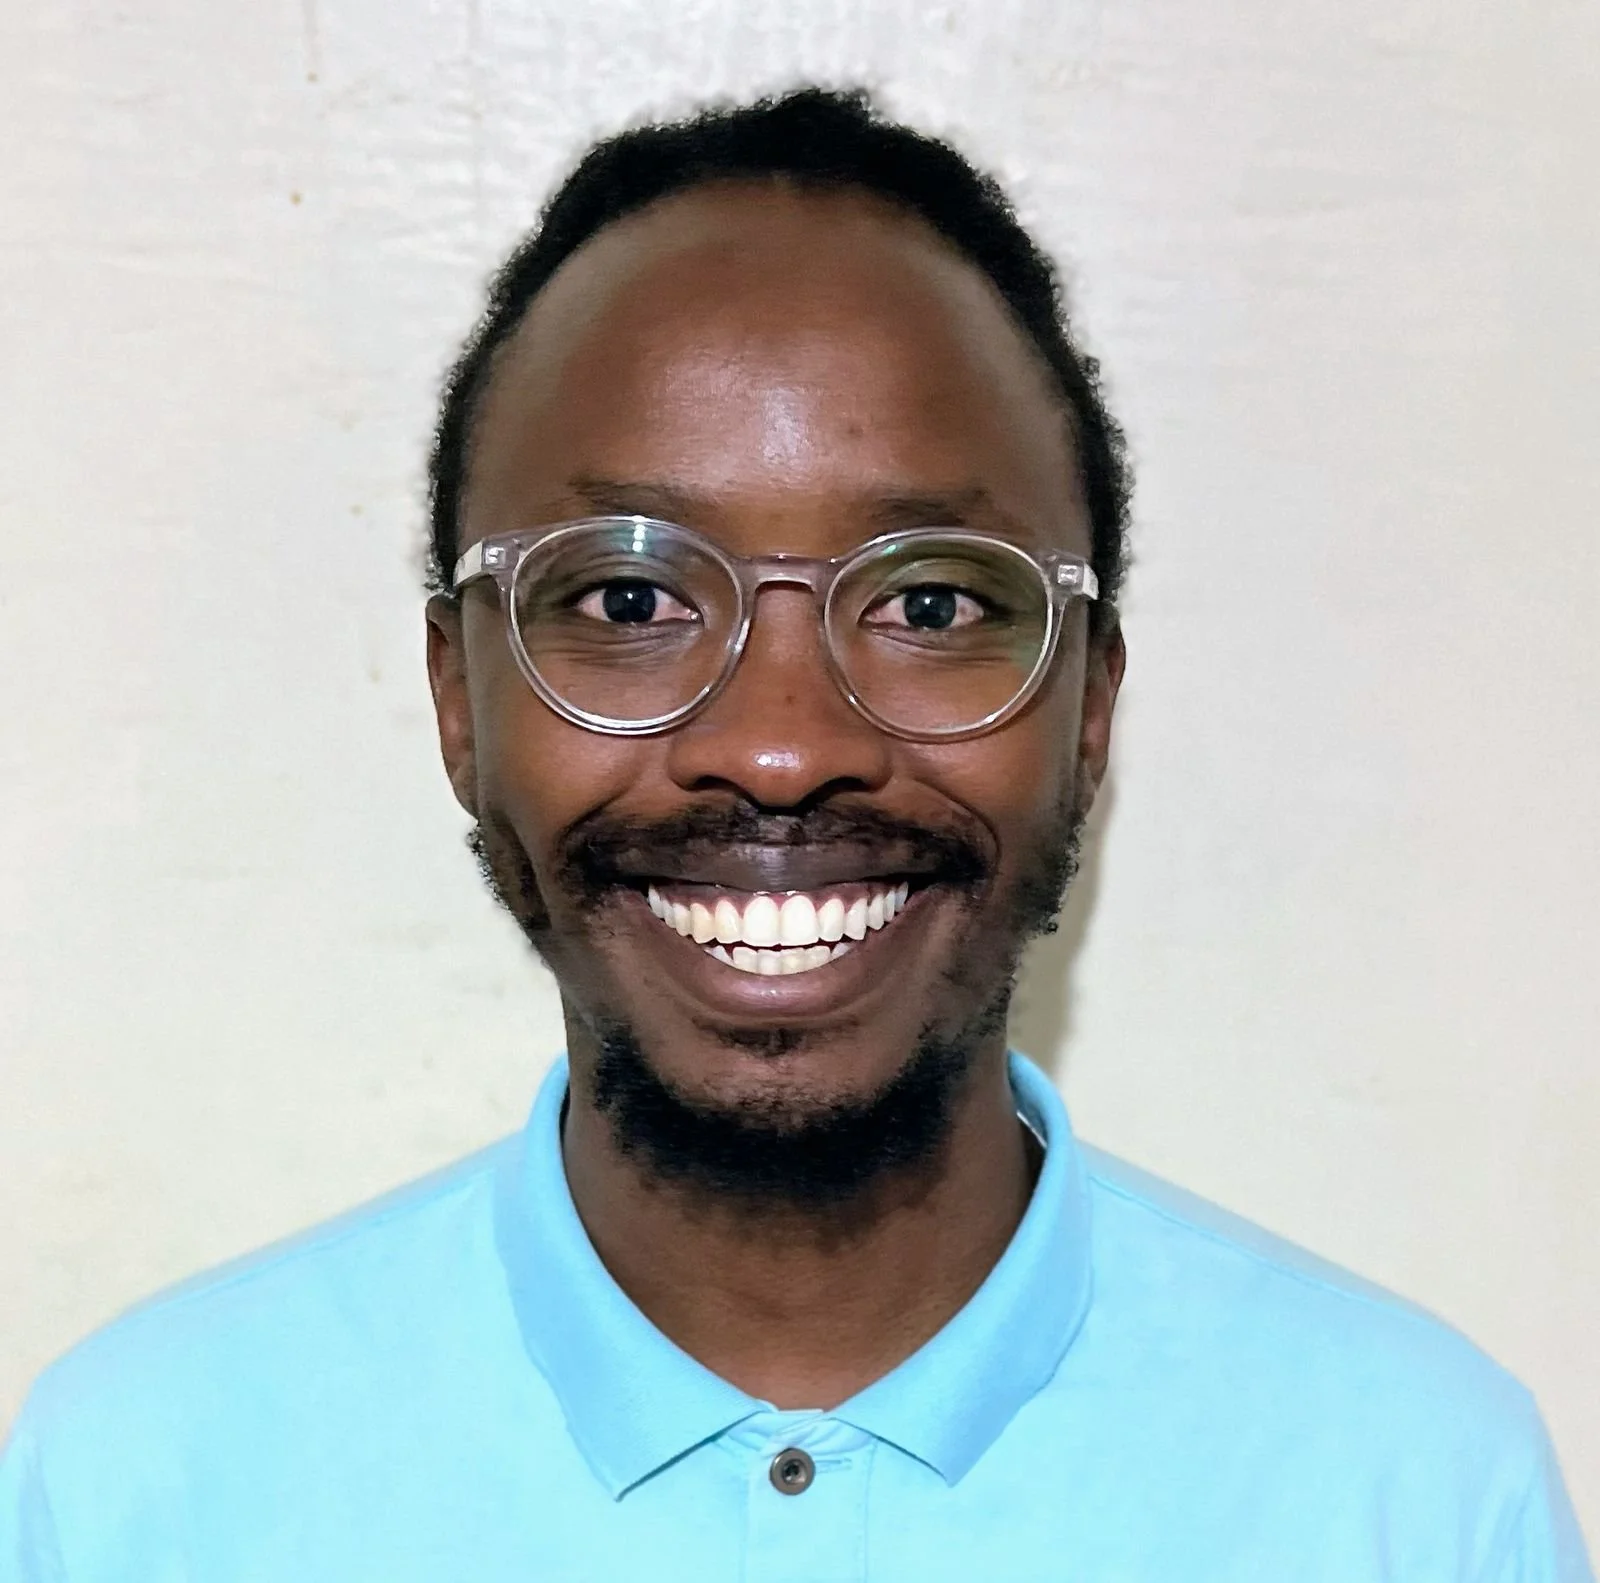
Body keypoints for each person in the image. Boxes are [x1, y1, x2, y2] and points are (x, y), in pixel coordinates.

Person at [0, 86, 1589, 1582]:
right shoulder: (146, 1495)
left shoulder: (1413, 1498)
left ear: (1089, 709)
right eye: (628, 598)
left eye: (928, 600)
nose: (779, 744)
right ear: (459, 699)